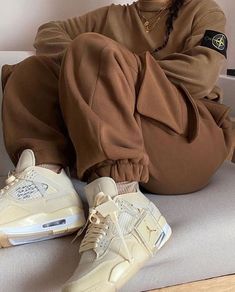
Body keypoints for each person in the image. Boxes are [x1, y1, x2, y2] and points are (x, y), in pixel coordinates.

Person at [0, 0, 233, 290]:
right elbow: (49, 32)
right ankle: (48, 186)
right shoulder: (114, 15)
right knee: (33, 69)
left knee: (94, 52)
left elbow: (200, 76)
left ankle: (129, 210)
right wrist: (84, 64)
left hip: (189, 141)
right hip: (134, 134)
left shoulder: (202, 9)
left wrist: (117, 68)